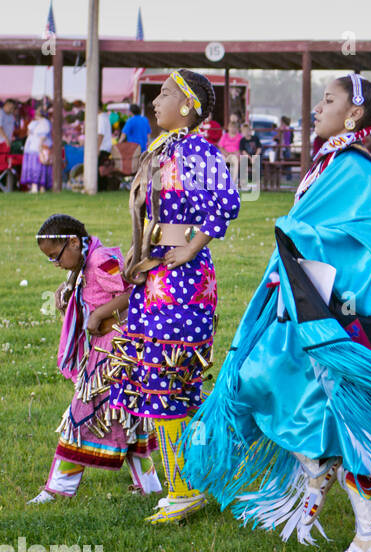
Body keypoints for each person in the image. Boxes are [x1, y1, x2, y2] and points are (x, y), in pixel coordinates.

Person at [181, 72, 371, 552]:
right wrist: (293, 241)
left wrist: (292, 231)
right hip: (302, 299)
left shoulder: (354, 167)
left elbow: (358, 238)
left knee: (343, 418)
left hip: (339, 311)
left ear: (353, 114)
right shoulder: (331, 161)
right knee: (258, 379)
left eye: (329, 99)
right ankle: (315, 466)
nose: (318, 107)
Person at [106, 70, 241, 524]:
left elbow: (225, 200)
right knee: (158, 380)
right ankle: (191, 482)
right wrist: (138, 249)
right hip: (156, 275)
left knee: (170, 381)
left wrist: (192, 245)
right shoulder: (162, 149)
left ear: (187, 106)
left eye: (163, 93)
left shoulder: (196, 150)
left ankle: (187, 488)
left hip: (179, 283)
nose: (155, 101)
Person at [28, 215, 161, 503]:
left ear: (73, 242)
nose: (55, 263)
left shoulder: (100, 260)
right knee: (126, 416)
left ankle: (58, 488)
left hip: (114, 352)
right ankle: (150, 487)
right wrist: (68, 293)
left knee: (82, 414)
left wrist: (100, 314)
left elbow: (132, 293)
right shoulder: (84, 263)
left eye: (55, 256)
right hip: (110, 348)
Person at [19, 106, 53, 192]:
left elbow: (30, 134)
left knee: (35, 167)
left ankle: (35, 187)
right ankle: (41, 187)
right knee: (40, 167)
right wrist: (40, 147)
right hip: (38, 147)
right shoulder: (45, 123)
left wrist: (39, 146)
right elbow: (43, 136)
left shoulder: (35, 123)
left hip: (32, 147)